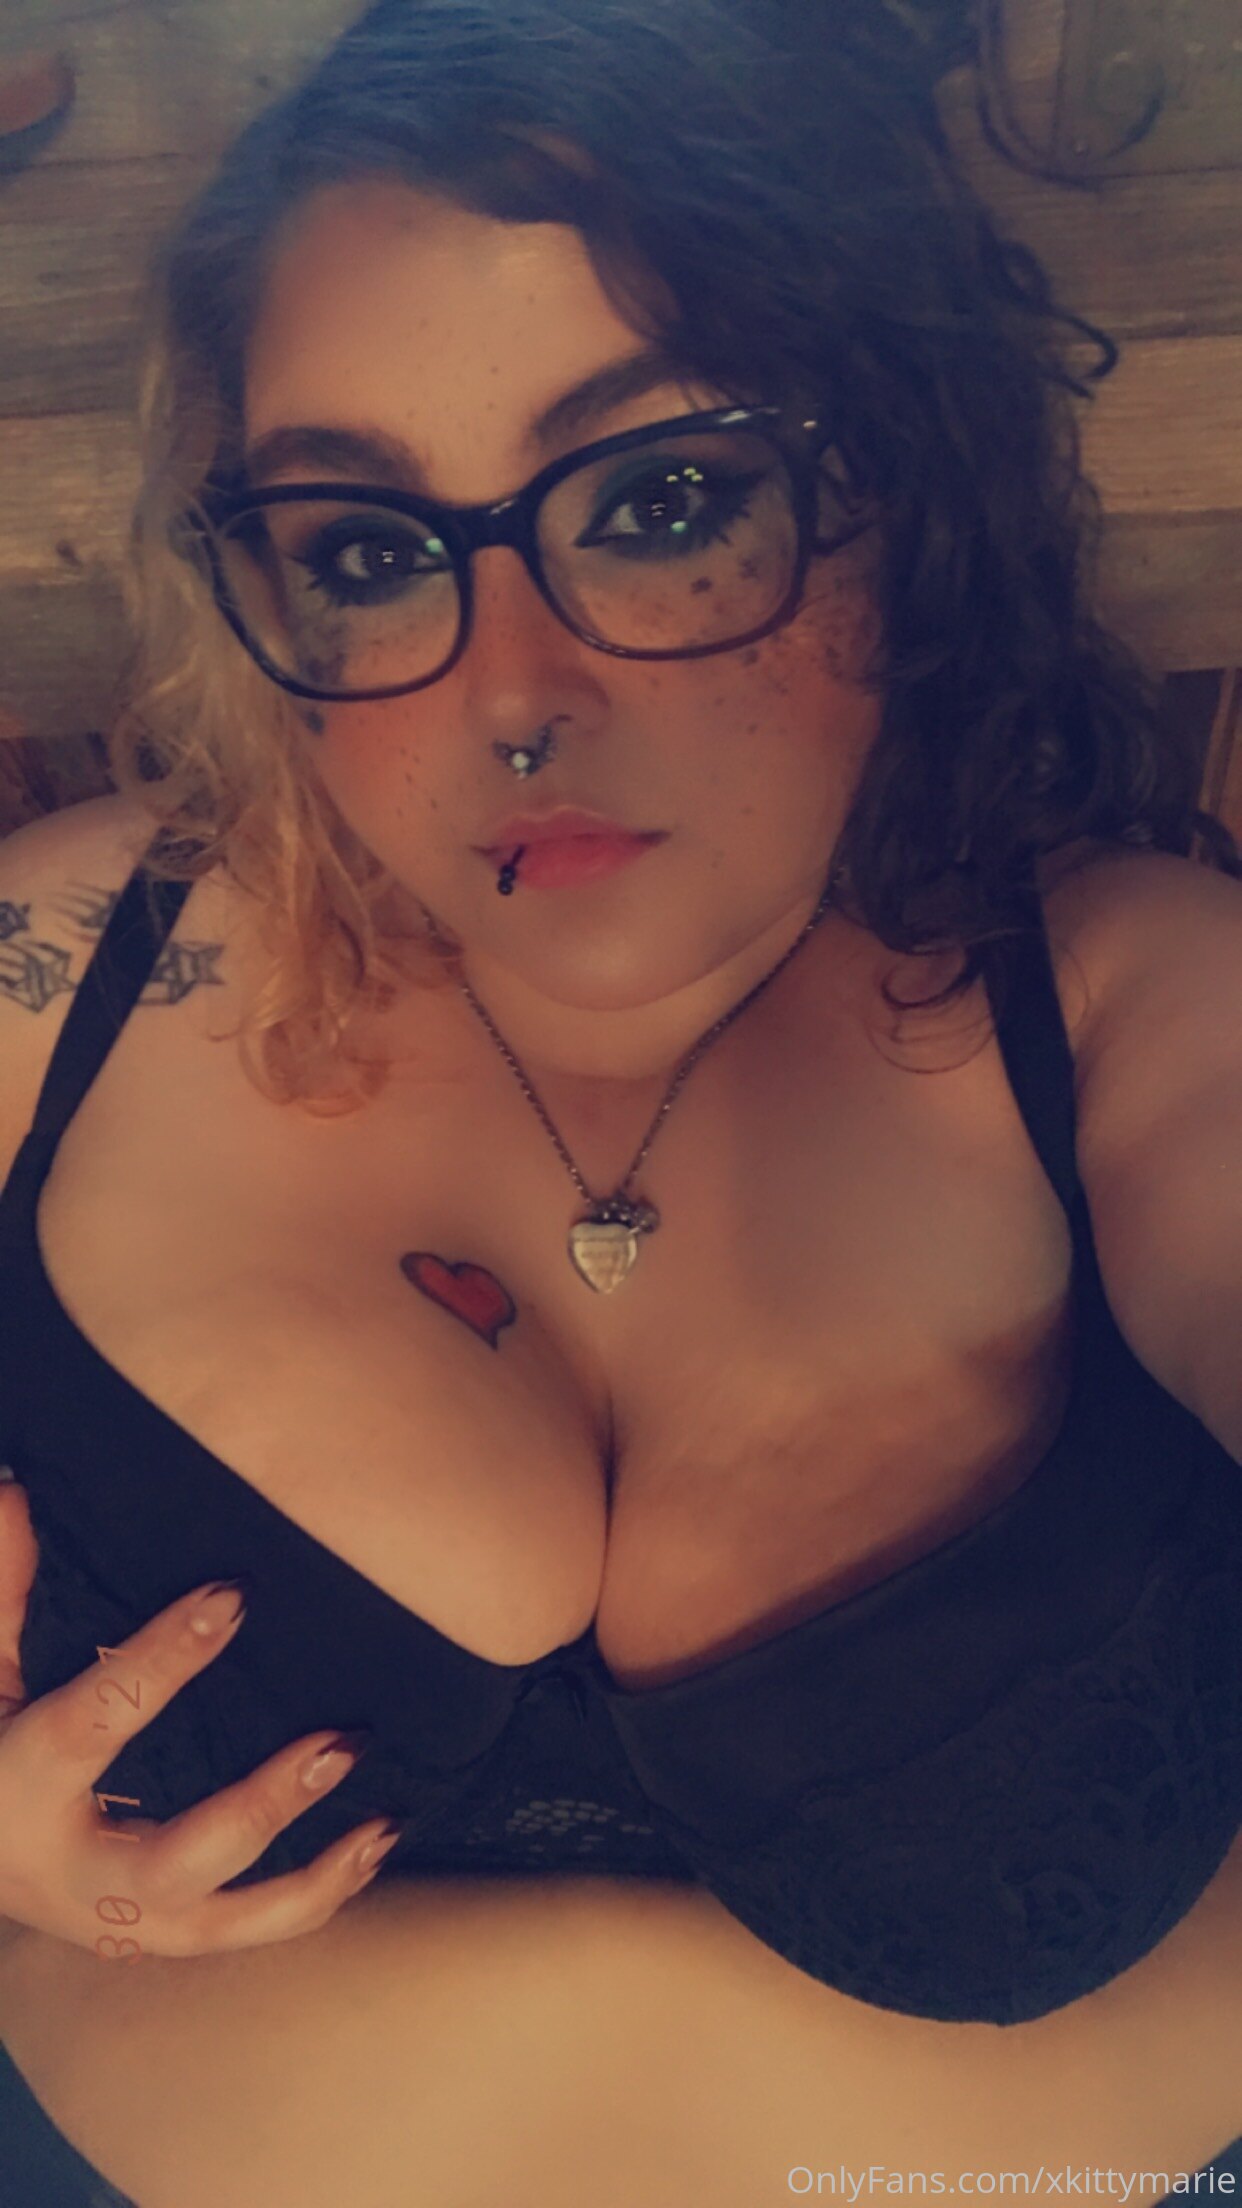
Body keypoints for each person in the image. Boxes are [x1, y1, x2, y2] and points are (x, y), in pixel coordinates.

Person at [1, 0, 1241, 2200]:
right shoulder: (59, 975)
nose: (516, 699)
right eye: (369, 549)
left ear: (903, 489)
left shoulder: (1135, 1012)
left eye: (666, 500)